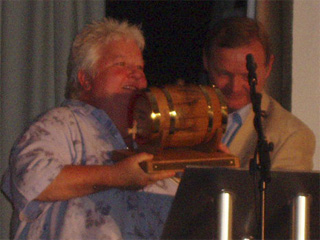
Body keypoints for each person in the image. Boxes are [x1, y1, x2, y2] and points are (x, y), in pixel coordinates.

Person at [1, 18, 178, 240]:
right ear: (85, 79)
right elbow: (31, 180)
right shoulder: (60, 124)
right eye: (121, 64)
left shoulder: (154, 141)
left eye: (140, 67)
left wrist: (209, 166)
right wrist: (115, 176)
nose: (136, 75)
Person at [203, 17, 315, 171]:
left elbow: (279, 195)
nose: (235, 87)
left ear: (268, 67)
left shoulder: (291, 136)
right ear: (206, 62)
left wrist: (225, 176)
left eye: (247, 76)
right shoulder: (182, 113)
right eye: (224, 74)